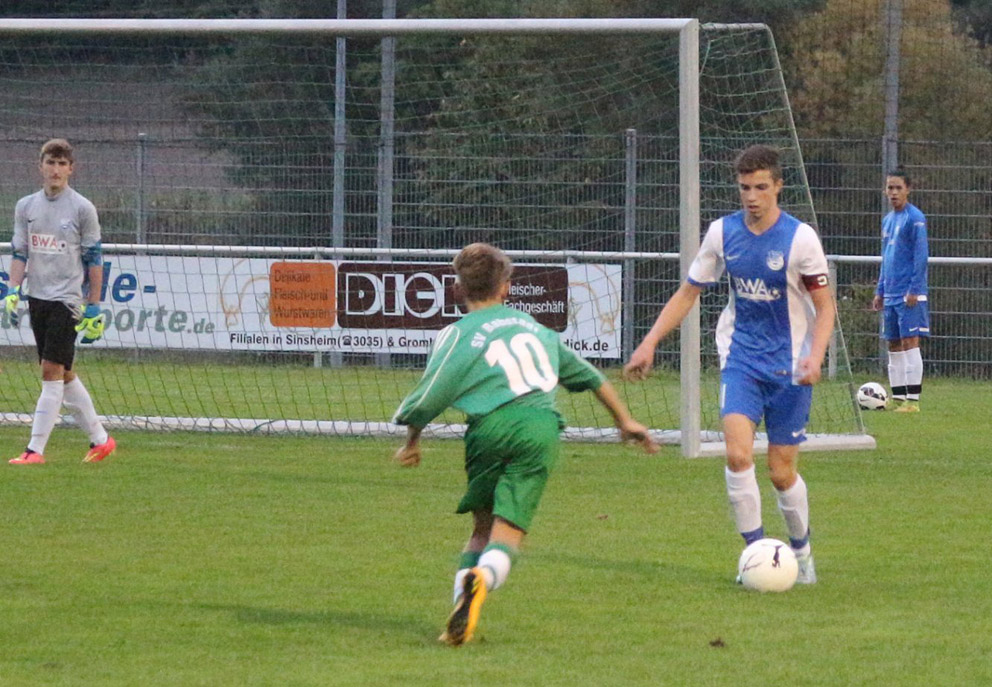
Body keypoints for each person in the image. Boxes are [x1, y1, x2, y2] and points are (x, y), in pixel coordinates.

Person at [392, 242, 658, 646]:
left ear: (458, 290)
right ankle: (483, 580)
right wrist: (625, 420)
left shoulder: (456, 334)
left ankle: (458, 619)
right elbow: (590, 377)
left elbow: (430, 395)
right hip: (538, 428)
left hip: (488, 429)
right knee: (509, 532)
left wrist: (413, 440)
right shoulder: (534, 328)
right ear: (506, 288)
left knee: (481, 529)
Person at [623, 144, 834, 585]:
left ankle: (803, 552)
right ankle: (756, 555)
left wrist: (815, 356)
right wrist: (649, 342)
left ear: (778, 186)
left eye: (761, 187)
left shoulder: (801, 239)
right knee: (738, 456)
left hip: (791, 368)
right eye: (744, 188)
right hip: (741, 361)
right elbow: (689, 292)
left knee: (780, 473)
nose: (752, 196)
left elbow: (825, 306)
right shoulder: (722, 233)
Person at [2, 138, 116, 465]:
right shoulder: (26, 206)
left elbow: (94, 260)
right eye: (50, 163)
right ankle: (101, 440)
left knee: (50, 370)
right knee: (63, 373)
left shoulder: (82, 208)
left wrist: (93, 305)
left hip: (67, 300)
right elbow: (20, 252)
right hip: (37, 298)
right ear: (40, 166)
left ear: (71, 169)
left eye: (62, 164)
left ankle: (34, 450)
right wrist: (12, 289)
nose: (55, 170)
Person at [871, 169, 929, 412]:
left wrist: (915, 288)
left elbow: (921, 255)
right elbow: (887, 258)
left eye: (898, 188)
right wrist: (880, 290)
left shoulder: (914, 217)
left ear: (908, 189)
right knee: (893, 344)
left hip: (909, 294)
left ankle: (913, 401)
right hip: (891, 293)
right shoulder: (887, 220)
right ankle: (897, 397)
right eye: (890, 188)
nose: (893, 193)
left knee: (910, 342)